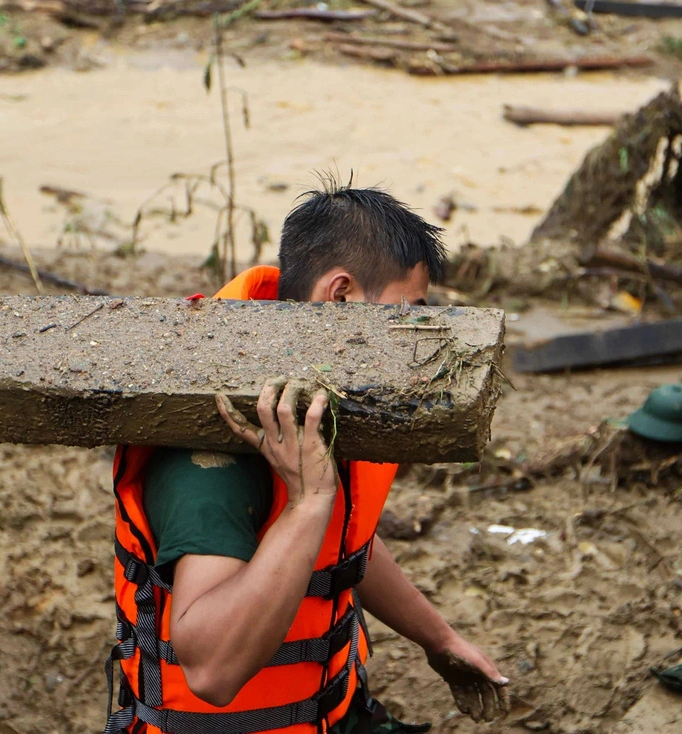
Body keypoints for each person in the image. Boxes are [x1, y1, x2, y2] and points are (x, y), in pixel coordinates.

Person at [105, 184, 510, 734]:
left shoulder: (315, 380)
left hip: (328, 711)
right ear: (340, 295)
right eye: (406, 312)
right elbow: (211, 671)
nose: (414, 335)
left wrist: (438, 639)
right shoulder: (214, 450)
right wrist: (308, 501)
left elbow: (343, 538)